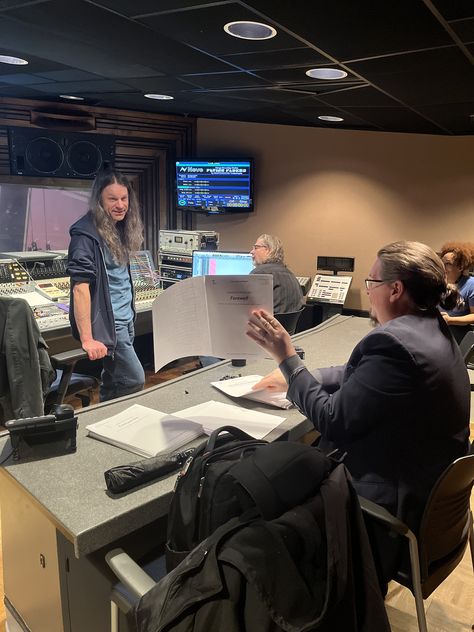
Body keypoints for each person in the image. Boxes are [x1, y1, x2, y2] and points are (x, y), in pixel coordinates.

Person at [247, 240, 470, 584]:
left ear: (395, 289)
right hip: (430, 503)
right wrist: (304, 375)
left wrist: (287, 359)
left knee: (264, 484)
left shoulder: (394, 342)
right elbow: (366, 374)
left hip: (386, 513)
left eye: (371, 283)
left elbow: (334, 422)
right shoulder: (430, 327)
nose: (368, 292)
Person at [67, 168, 145, 402]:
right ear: (99, 200)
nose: (120, 205)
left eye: (124, 198)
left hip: (126, 318)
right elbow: (80, 288)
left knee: (113, 380)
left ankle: (107, 423)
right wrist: (87, 338)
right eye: (113, 199)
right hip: (112, 325)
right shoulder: (85, 235)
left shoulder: (119, 227)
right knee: (134, 378)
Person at [250, 234, 303, 314]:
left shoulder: (260, 273)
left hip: (266, 325)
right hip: (286, 326)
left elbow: (246, 308)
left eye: (256, 248)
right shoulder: (290, 274)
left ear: (269, 250)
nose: (251, 252)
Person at [438, 241, 474, 344]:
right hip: (437, 332)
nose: (443, 267)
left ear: (460, 267)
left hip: (458, 336)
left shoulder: (471, 285)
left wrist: (450, 320)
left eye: (448, 264)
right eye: (442, 263)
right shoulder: (438, 282)